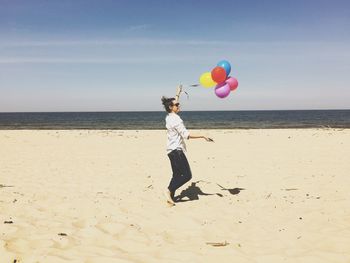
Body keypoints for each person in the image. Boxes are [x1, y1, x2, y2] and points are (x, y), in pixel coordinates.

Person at [161, 85, 213, 206]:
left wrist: (177, 93)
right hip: (177, 151)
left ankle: (170, 199)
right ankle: (168, 191)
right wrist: (203, 136)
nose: (179, 106)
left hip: (170, 151)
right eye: (177, 105)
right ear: (171, 107)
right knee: (187, 175)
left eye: (178, 104)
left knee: (176, 175)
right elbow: (186, 135)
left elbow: (174, 101)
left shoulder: (168, 117)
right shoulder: (177, 120)